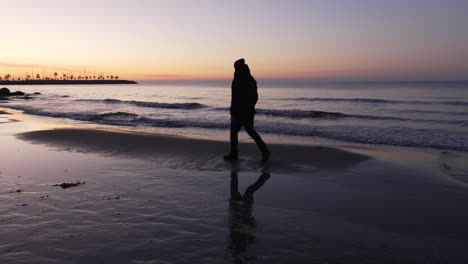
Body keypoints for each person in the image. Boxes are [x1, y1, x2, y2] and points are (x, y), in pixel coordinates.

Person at [224, 58, 270, 161]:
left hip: (241, 112)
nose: (234, 69)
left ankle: (234, 154)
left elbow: (239, 97)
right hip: (245, 111)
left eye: (235, 67)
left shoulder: (241, 79)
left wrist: (237, 109)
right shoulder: (248, 79)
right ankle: (264, 151)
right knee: (248, 131)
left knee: (236, 132)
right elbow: (252, 97)